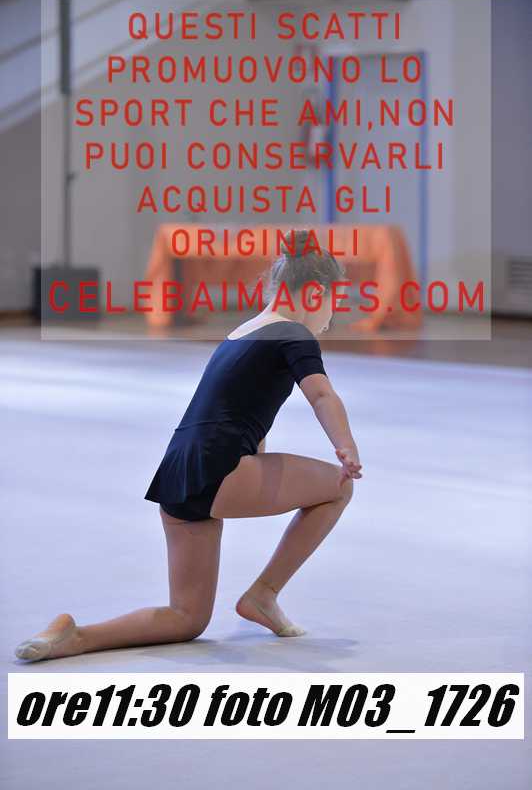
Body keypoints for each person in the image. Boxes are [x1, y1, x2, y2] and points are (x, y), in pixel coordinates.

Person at [14, 230, 362, 663]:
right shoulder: (294, 333)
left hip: (178, 474)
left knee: (186, 617)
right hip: (219, 469)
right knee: (339, 488)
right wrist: (345, 446)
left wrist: (255, 473)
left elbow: (241, 413)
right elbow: (322, 395)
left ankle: (75, 636)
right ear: (313, 293)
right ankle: (264, 593)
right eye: (333, 302)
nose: (332, 315)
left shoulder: (243, 332)